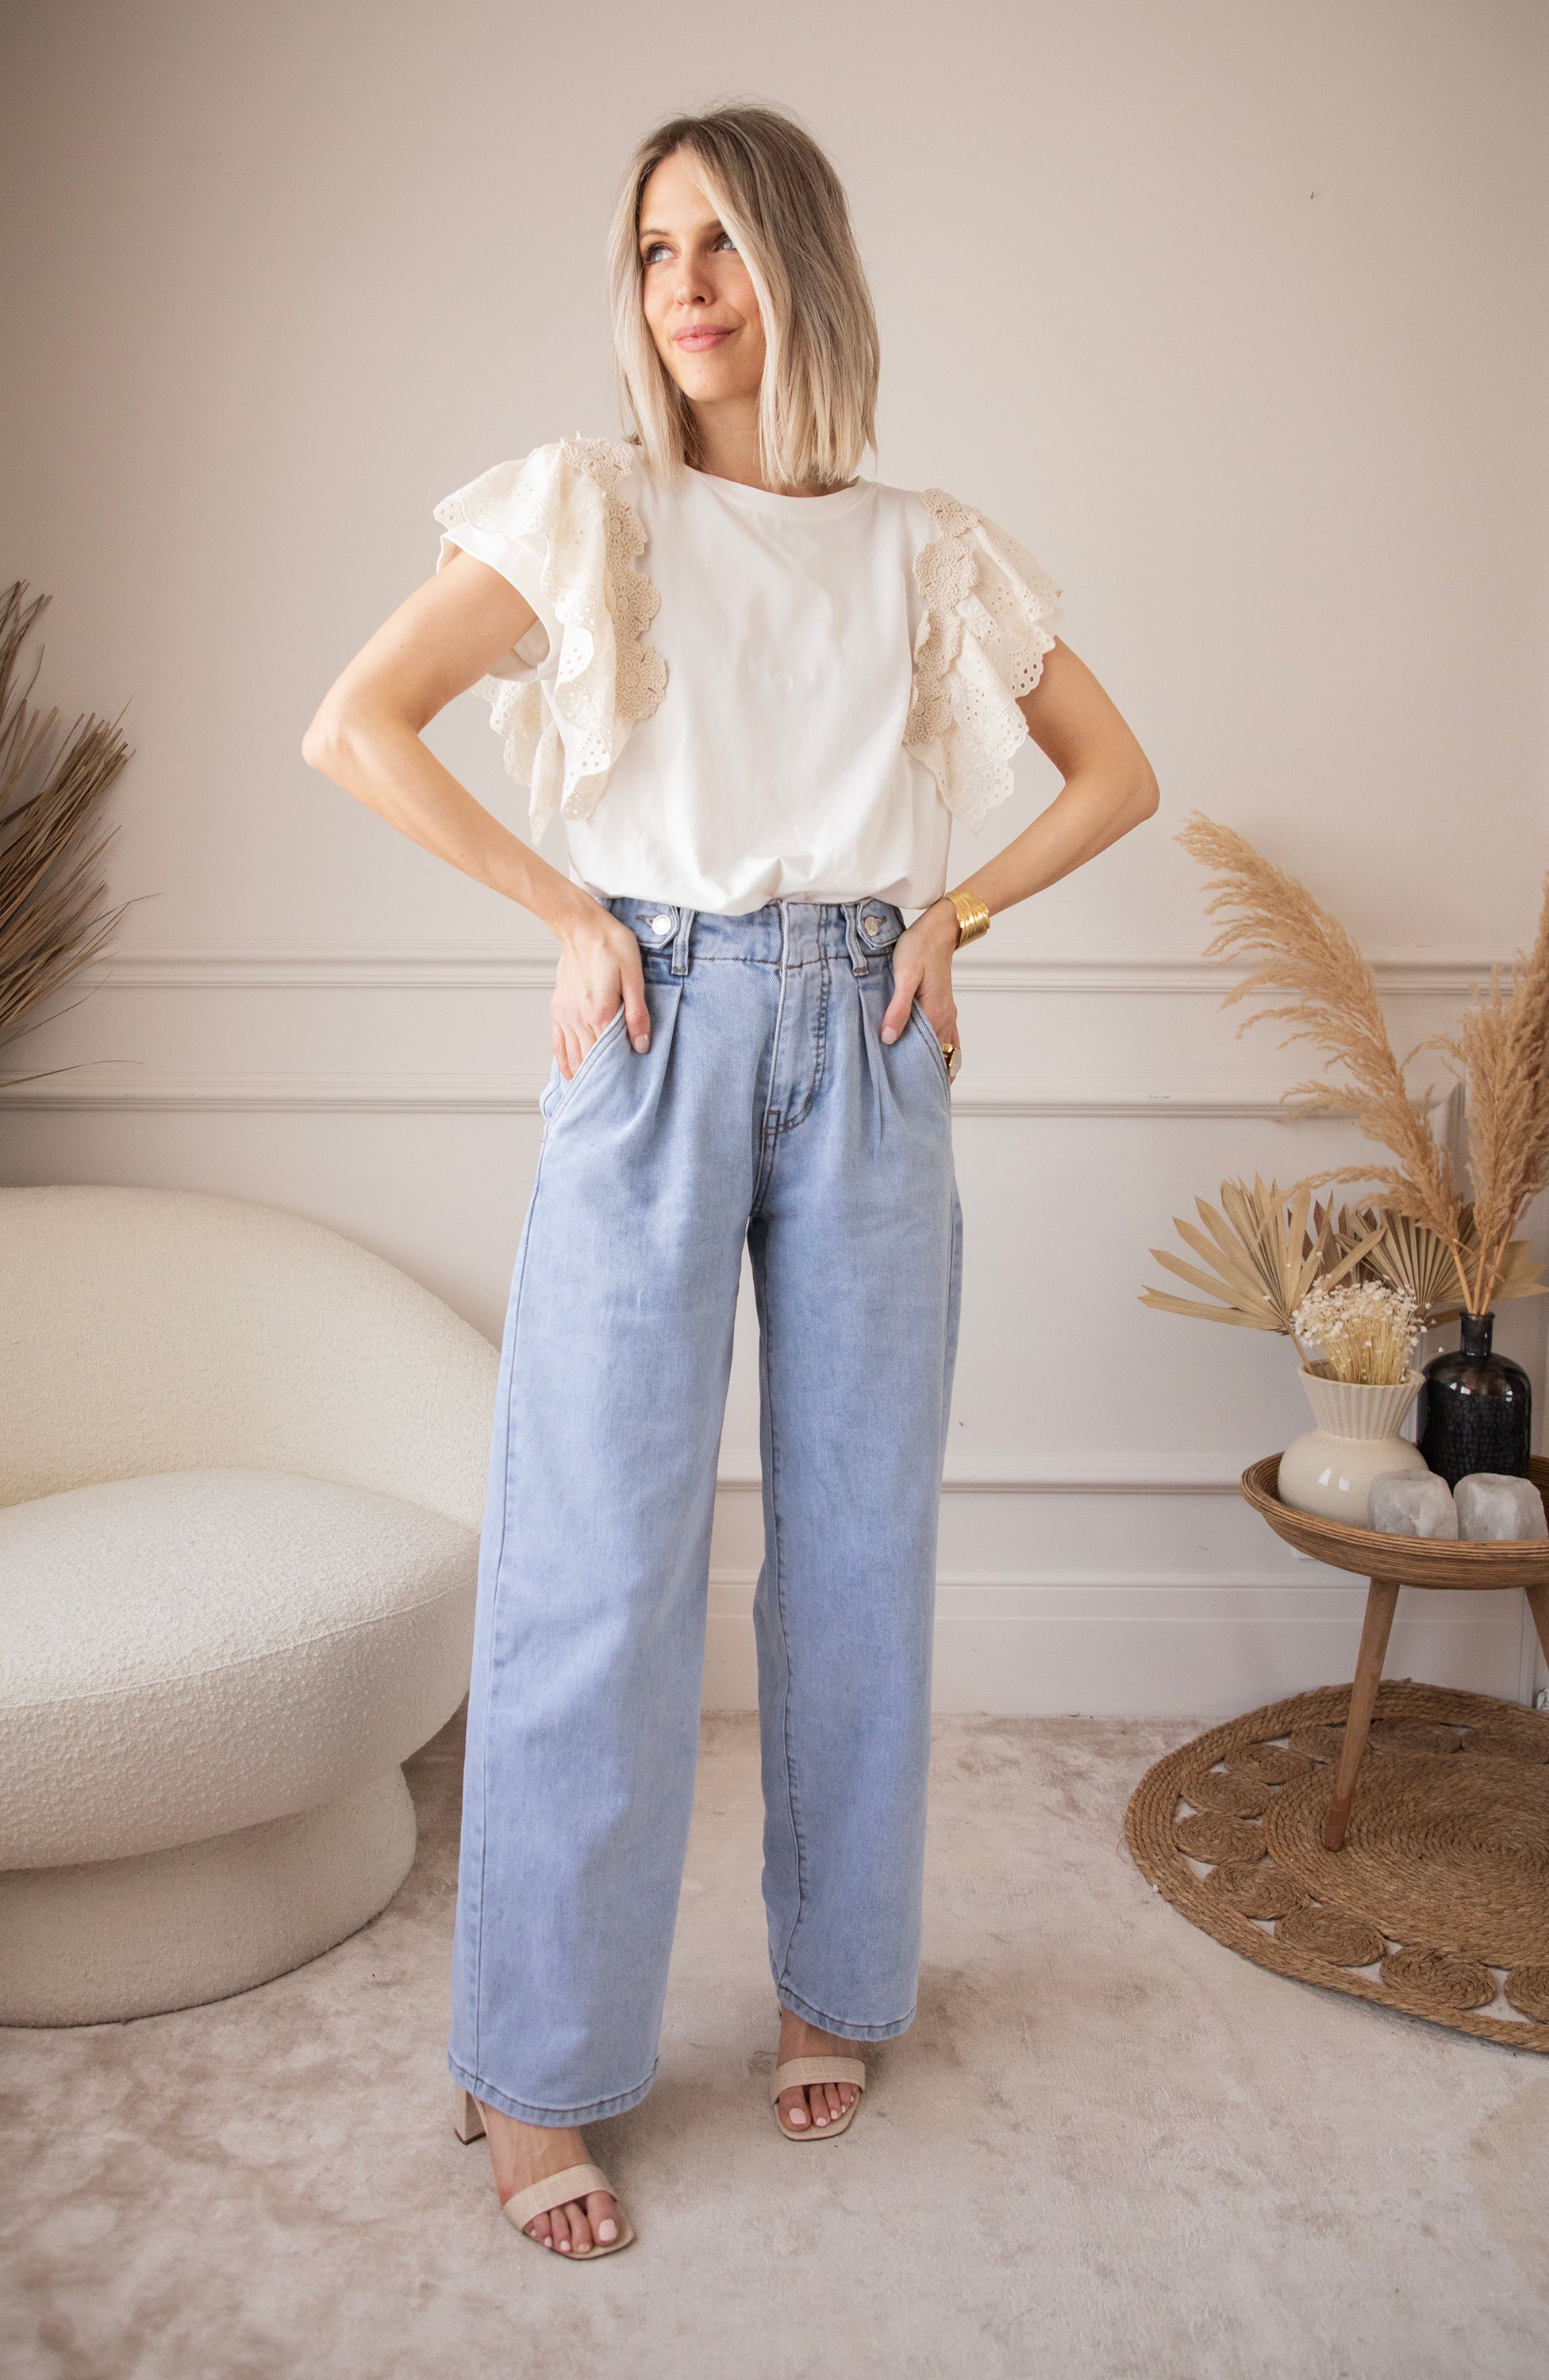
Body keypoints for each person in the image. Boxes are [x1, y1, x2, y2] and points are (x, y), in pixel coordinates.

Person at [303, 102, 1158, 2260]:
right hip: (661, 1028)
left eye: (723, 243)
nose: (684, 285)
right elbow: (356, 723)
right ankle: (534, 2068)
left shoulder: (924, 546)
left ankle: (832, 1983)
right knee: (600, 1564)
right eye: (654, 247)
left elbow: (1120, 774)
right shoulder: (590, 509)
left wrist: (957, 915)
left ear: (803, 270)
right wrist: (567, 913)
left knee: (859, 1549)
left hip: (868, 1037)